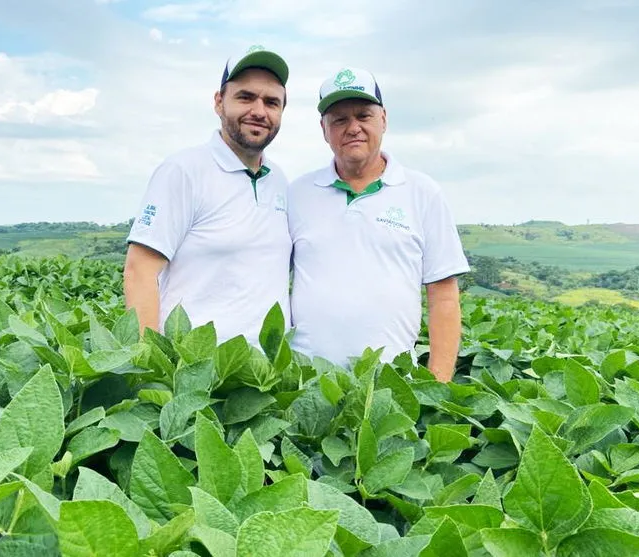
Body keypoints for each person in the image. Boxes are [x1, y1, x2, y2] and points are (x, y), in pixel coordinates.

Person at [287, 67, 470, 382]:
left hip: (392, 385)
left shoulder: (422, 192)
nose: (353, 127)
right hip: (307, 385)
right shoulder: (296, 194)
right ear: (323, 129)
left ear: (383, 118)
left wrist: (437, 386)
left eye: (363, 115)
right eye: (339, 119)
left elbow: (443, 295)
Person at [123, 46, 292, 348]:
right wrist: (147, 363)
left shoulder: (278, 180)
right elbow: (140, 271)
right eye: (245, 97)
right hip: (194, 369)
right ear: (219, 102)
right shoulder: (184, 171)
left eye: (271, 102)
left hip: (265, 378)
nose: (259, 111)